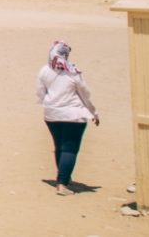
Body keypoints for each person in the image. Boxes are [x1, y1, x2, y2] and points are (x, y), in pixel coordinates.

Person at [36, 40, 99, 195]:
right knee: (70, 149)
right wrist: (94, 112)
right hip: (73, 115)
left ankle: (64, 177)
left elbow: (40, 92)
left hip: (51, 115)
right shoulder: (72, 71)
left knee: (60, 147)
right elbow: (85, 94)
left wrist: (49, 104)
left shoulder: (45, 70)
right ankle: (62, 183)